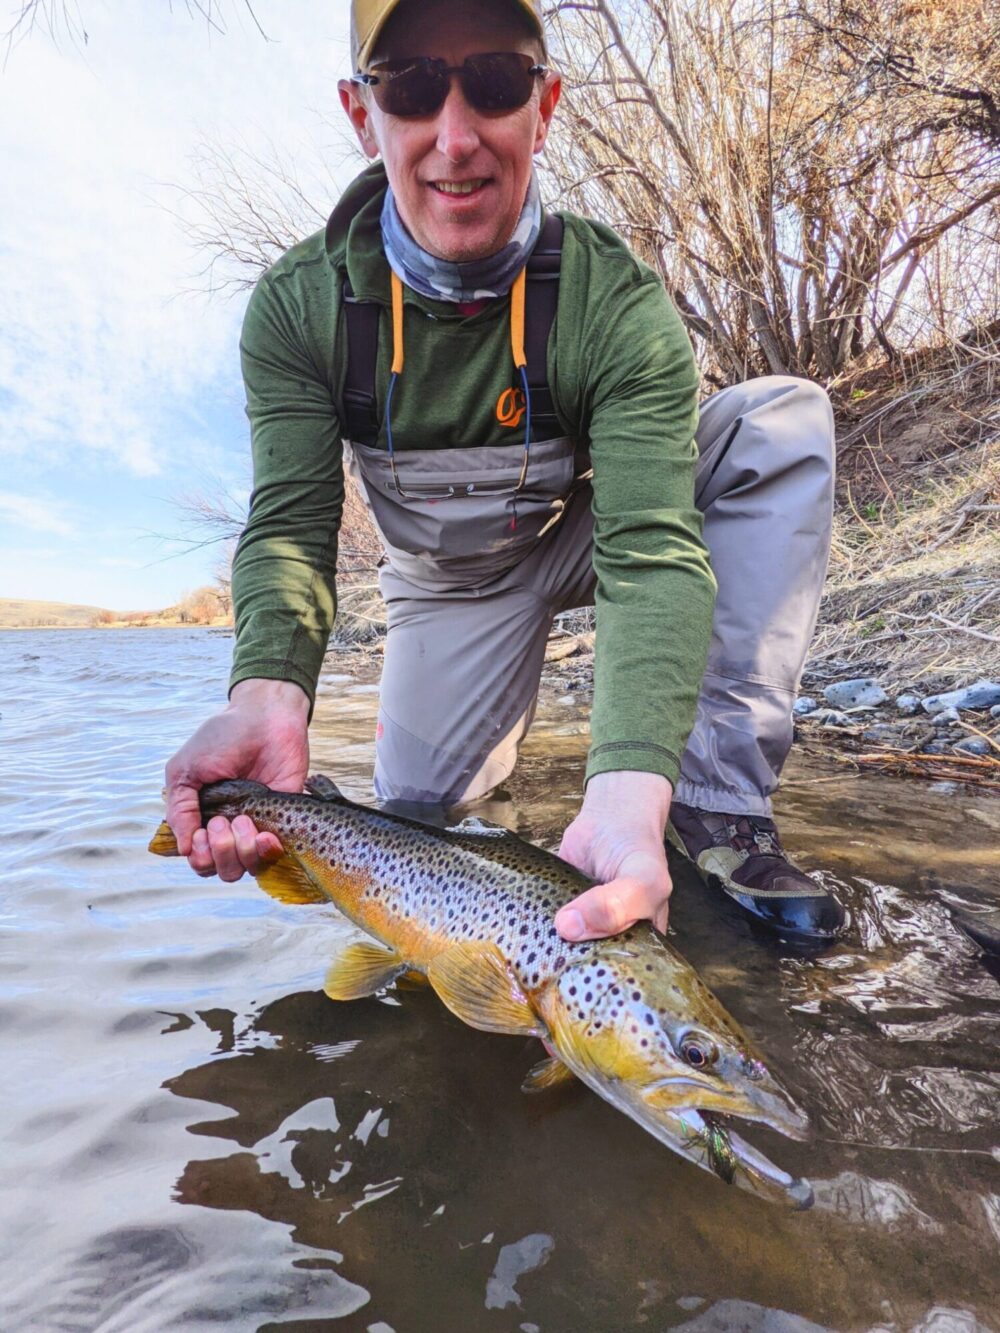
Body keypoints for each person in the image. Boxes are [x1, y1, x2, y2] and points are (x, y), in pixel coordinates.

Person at [164, 0, 846, 944]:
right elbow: (290, 528)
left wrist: (627, 784)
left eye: (493, 84)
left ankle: (713, 804)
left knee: (780, 423)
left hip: (581, 539)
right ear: (364, 115)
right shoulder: (301, 307)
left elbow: (650, 548)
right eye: (410, 88)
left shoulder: (611, 297)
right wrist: (266, 695)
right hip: (446, 590)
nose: (455, 139)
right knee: (418, 819)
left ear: (546, 103)